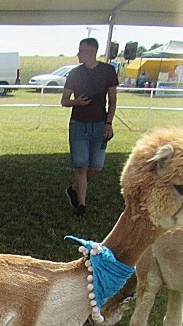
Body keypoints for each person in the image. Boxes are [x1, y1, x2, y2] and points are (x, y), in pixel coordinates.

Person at [61, 38, 118, 217]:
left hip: (100, 124)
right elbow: (64, 100)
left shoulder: (108, 71)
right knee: (81, 166)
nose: (78, 54)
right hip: (78, 124)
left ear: (91, 52)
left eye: (81, 51)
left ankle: (73, 189)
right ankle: (81, 205)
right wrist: (76, 102)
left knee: (97, 167)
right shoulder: (75, 73)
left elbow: (113, 100)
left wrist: (108, 123)